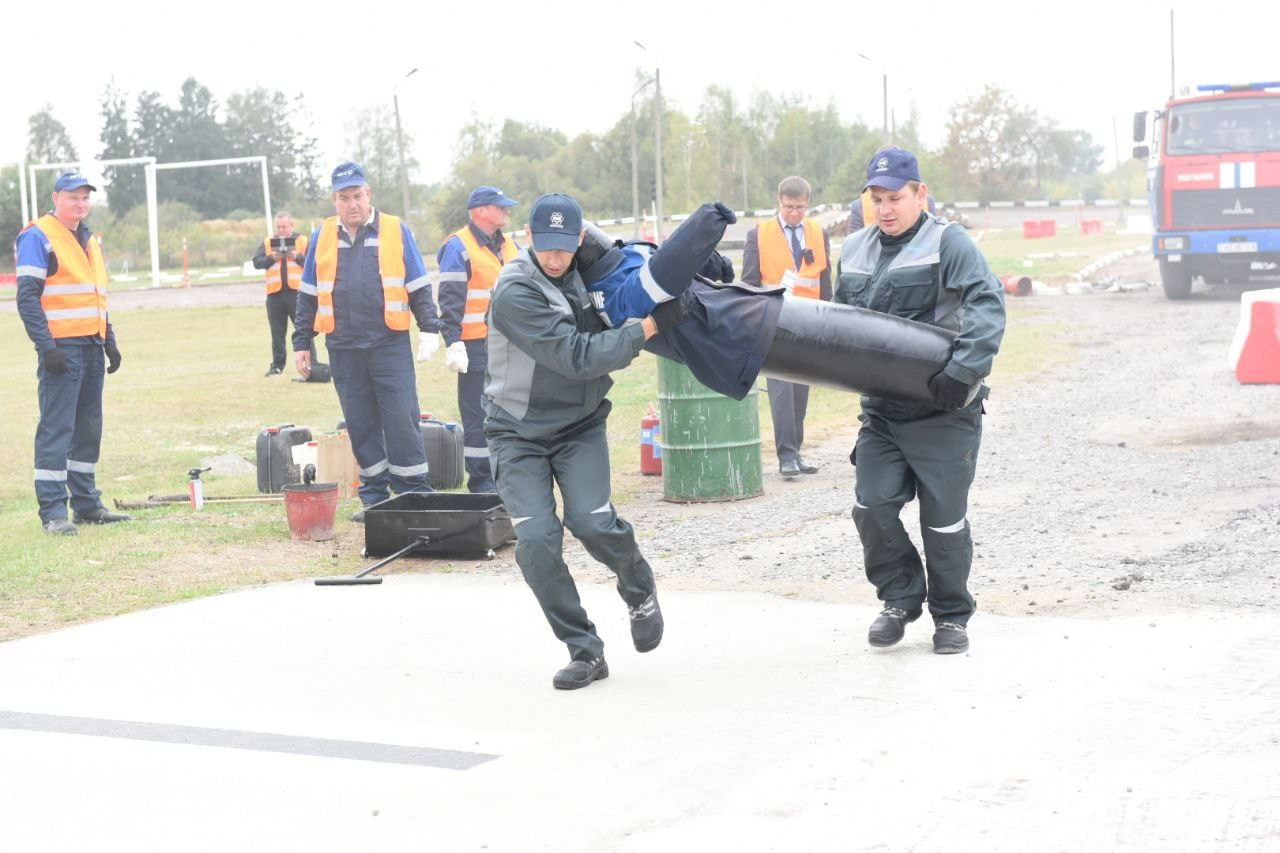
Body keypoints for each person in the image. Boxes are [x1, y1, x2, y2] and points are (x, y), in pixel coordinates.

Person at [484, 193, 690, 691]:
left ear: (579, 238)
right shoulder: (515, 291)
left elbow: (637, 273)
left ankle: (638, 587)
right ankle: (584, 650)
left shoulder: (589, 263)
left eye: (565, 248)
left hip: (578, 426)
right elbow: (576, 356)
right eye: (546, 247)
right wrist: (647, 328)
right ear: (529, 239)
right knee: (536, 542)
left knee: (593, 523)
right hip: (517, 432)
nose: (556, 258)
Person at [834, 146, 1006, 655]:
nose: (886, 209)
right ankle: (900, 598)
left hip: (944, 409)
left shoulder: (948, 243)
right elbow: (838, 320)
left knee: (943, 521)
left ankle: (951, 616)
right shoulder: (855, 248)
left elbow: (987, 303)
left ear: (920, 194)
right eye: (877, 199)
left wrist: (964, 371)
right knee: (872, 505)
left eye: (896, 198)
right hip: (883, 413)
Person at [293, 162, 440, 521]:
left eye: (357, 196)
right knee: (360, 424)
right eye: (344, 198)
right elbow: (309, 293)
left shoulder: (395, 230)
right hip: (342, 348)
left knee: (401, 419)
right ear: (334, 200)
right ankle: (374, 499)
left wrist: (430, 328)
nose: (352, 204)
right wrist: (301, 342)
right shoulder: (322, 236)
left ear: (368, 194)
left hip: (388, 345)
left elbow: (418, 285)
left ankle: (414, 495)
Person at [14, 170, 131, 535]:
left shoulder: (88, 238)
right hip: (62, 350)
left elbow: (95, 294)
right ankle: (52, 512)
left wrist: (108, 338)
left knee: (88, 429)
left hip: (91, 345)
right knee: (57, 429)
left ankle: (86, 505)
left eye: (85, 198)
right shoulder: (38, 235)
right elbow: (27, 297)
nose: (80, 204)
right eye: (72, 197)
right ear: (56, 198)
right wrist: (47, 347)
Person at [741, 176, 832, 478]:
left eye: (800, 208)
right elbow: (751, 282)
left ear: (808, 204)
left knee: (801, 390)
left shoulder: (819, 233)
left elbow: (823, 281)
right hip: (773, 323)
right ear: (778, 202)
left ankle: (797, 450)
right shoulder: (759, 234)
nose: (794, 213)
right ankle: (787, 457)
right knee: (781, 390)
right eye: (789, 207)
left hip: (808, 324)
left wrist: (829, 319)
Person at [435, 186, 520, 493]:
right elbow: (450, 299)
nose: (507, 211)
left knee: (511, 410)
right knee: (478, 416)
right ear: (481, 210)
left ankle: (508, 476)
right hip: (475, 346)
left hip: (512, 343)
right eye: (501, 206)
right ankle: (483, 482)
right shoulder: (458, 247)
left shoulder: (510, 244)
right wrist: (453, 341)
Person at [252, 211, 315, 376]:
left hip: (297, 294)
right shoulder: (268, 242)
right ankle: (277, 366)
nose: (281, 230)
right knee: (277, 333)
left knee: (304, 330)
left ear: (291, 226)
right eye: (278, 227)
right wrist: (273, 258)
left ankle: (311, 365)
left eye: (284, 226)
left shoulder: (302, 241)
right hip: (275, 295)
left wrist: (297, 257)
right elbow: (256, 262)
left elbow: (314, 263)